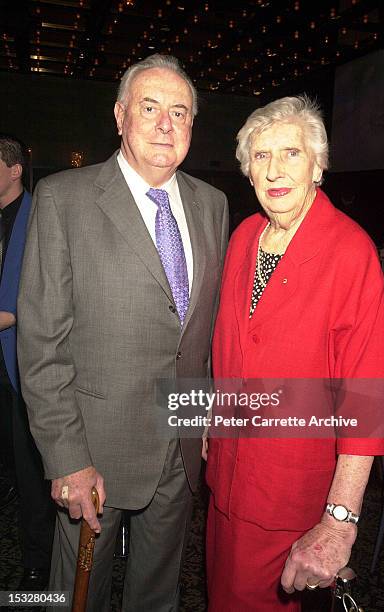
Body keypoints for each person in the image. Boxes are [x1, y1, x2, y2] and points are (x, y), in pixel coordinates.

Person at [17, 54, 228, 610]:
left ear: (191, 128)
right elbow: (40, 345)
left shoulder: (214, 205)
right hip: (94, 451)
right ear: (119, 116)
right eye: (150, 107)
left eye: (179, 113)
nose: (165, 123)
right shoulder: (65, 200)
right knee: (79, 592)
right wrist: (66, 458)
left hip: (180, 448)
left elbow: (200, 334)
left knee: (157, 596)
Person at [205, 96, 384, 610]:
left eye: (290, 153)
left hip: (290, 500)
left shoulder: (349, 252)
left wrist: (338, 523)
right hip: (226, 481)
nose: (275, 170)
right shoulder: (244, 237)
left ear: (318, 165)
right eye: (260, 157)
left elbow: (364, 403)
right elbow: (228, 351)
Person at [0, 134, 55, 589]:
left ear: (14, 169)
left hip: (25, 362)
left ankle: (38, 561)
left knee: (33, 471)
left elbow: (42, 297)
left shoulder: (41, 213)